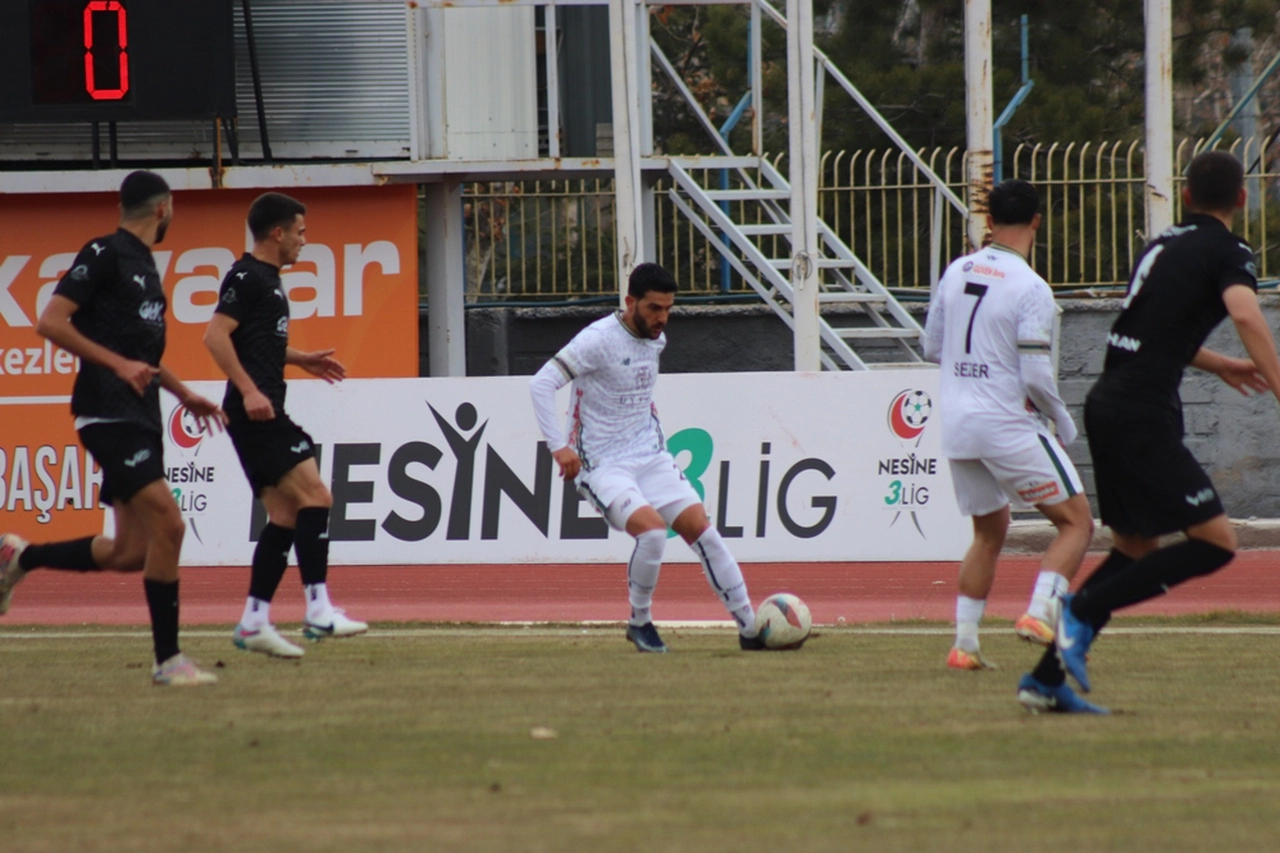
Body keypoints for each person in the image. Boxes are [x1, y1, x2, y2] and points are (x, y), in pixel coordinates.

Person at [1043, 150, 1280, 708]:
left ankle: (1046, 681)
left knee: (1136, 544)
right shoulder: (1229, 250)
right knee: (1217, 542)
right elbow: (1246, 314)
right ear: (1242, 199)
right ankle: (1079, 611)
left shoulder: (1162, 244)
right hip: (1143, 411)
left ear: (1188, 197)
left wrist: (1220, 365)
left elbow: (1152, 330)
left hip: (1108, 402)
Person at [0, 171, 226, 686]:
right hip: (106, 412)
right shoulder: (104, 252)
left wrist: (183, 391)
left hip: (141, 417)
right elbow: (51, 322)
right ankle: (169, 661)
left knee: (130, 554)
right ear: (163, 209)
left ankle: (19, 556)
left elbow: (140, 355)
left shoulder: (147, 264)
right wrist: (117, 367)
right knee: (170, 525)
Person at [529, 262, 762, 652]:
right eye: (654, 308)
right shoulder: (597, 339)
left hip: (651, 455)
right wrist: (559, 446)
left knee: (704, 532)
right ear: (630, 301)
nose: (662, 318)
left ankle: (752, 629)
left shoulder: (657, 338)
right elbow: (541, 384)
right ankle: (640, 623)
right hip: (602, 463)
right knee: (653, 532)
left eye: (669, 309)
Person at [922, 179, 1096, 689]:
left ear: (988, 221)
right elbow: (1036, 372)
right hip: (1005, 420)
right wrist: (1060, 417)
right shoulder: (1031, 286)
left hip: (956, 422)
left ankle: (965, 645)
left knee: (988, 531)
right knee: (1076, 523)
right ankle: (1040, 610)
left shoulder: (956, 272)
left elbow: (932, 346)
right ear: (1037, 222)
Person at [203, 191, 366, 659]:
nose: (303, 240)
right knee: (317, 496)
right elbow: (214, 336)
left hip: (258, 412)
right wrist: (250, 390)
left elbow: (255, 341)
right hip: (257, 413)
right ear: (278, 233)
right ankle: (318, 610)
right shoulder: (249, 276)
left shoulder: (266, 279)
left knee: (286, 516)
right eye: (300, 232)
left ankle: (254, 621)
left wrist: (299, 359)